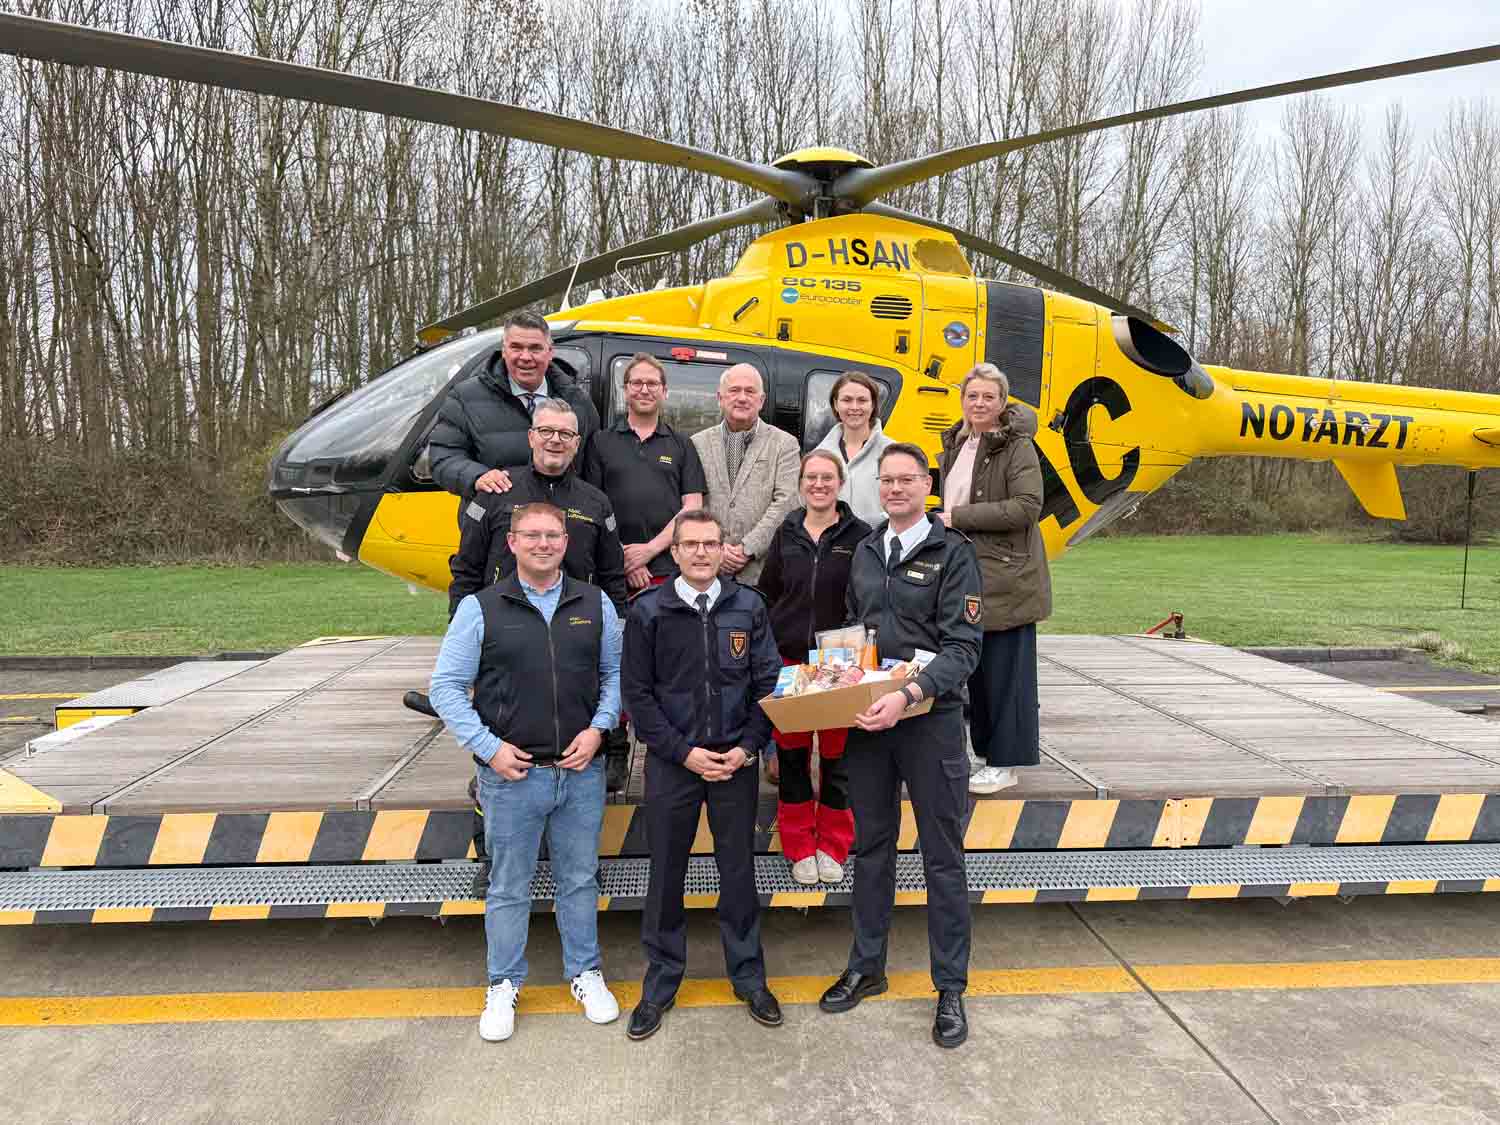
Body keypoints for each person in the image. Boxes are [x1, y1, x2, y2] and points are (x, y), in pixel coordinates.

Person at [429, 502, 623, 1043]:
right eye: (531, 535)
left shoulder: (597, 602)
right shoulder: (480, 607)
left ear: (566, 541)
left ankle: (585, 972)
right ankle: (503, 983)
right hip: (512, 777)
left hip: (580, 770)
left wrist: (599, 729)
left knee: (579, 879)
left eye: (553, 535)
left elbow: (614, 674)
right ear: (511, 543)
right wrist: (489, 749)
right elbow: (446, 688)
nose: (543, 543)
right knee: (508, 885)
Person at [818, 442, 982, 1050]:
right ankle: (867, 967)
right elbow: (852, 635)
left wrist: (909, 694)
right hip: (869, 722)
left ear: (928, 484)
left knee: (943, 856)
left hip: (929, 723)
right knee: (872, 848)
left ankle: (950, 987)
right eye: (885, 480)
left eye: (906, 480)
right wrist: (835, 683)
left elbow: (964, 649)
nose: (894, 489)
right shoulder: (865, 550)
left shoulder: (953, 553)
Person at [621, 509, 783, 1040]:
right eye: (689, 544)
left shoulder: (749, 606)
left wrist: (747, 749)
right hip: (675, 765)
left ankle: (749, 975)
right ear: (674, 553)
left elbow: (768, 684)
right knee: (666, 872)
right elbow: (638, 697)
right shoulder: (649, 611)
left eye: (710, 544)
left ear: (722, 550)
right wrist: (682, 753)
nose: (699, 553)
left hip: (735, 763)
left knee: (738, 871)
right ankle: (663, 978)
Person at [936, 364, 1051, 795]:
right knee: (978, 670)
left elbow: (1027, 506)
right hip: (967, 568)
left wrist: (957, 518)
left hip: (1008, 574)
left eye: (988, 397)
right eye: (973, 396)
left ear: (1002, 403)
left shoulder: (1016, 445)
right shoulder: (958, 443)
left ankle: (1006, 762)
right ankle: (983, 753)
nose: (979, 403)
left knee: (1008, 673)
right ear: (962, 399)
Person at [757, 450, 871, 885]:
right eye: (811, 477)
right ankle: (799, 844)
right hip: (790, 663)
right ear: (802, 483)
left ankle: (833, 844)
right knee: (791, 757)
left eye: (827, 477)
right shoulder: (786, 532)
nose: (819, 484)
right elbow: (768, 592)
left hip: (839, 662)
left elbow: (867, 599)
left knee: (839, 760)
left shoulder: (861, 535)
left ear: (840, 483)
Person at [448, 398, 627, 617]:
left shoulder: (597, 503)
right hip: (503, 622)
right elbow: (466, 569)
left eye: (565, 434)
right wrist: (458, 623)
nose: (555, 440)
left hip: (576, 625)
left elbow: (612, 576)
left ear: (577, 443)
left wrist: (618, 625)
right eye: (546, 431)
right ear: (531, 437)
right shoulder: (495, 492)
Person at [427, 310, 600, 503]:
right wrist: (477, 477)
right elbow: (442, 458)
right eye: (516, 347)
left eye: (535, 348)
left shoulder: (578, 401)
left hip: (558, 527)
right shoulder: (464, 398)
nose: (525, 357)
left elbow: (592, 469)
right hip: (493, 525)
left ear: (550, 352)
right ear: (504, 350)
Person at [581, 353, 706, 591]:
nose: (644, 390)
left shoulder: (683, 445)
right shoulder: (599, 442)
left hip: (669, 571)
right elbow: (590, 505)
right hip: (612, 569)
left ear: (664, 391)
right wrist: (625, 559)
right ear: (626, 390)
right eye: (637, 383)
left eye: (652, 383)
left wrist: (649, 550)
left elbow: (692, 506)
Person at [691, 364, 800, 586]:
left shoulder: (785, 444)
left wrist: (747, 548)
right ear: (720, 398)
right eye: (734, 390)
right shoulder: (697, 444)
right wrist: (716, 549)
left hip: (761, 574)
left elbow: (786, 502)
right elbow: (693, 504)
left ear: (761, 400)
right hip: (707, 571)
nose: (742, 398)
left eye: (750, 391)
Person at [813, 370, 893, 524]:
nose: (854, 407)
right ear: (836, 404)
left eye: (862, 400)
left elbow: (904, 507)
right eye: (847, 400)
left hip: (878, 544)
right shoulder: (818, 456)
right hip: (831, 545)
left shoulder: (893, 452)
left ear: (873, 404)